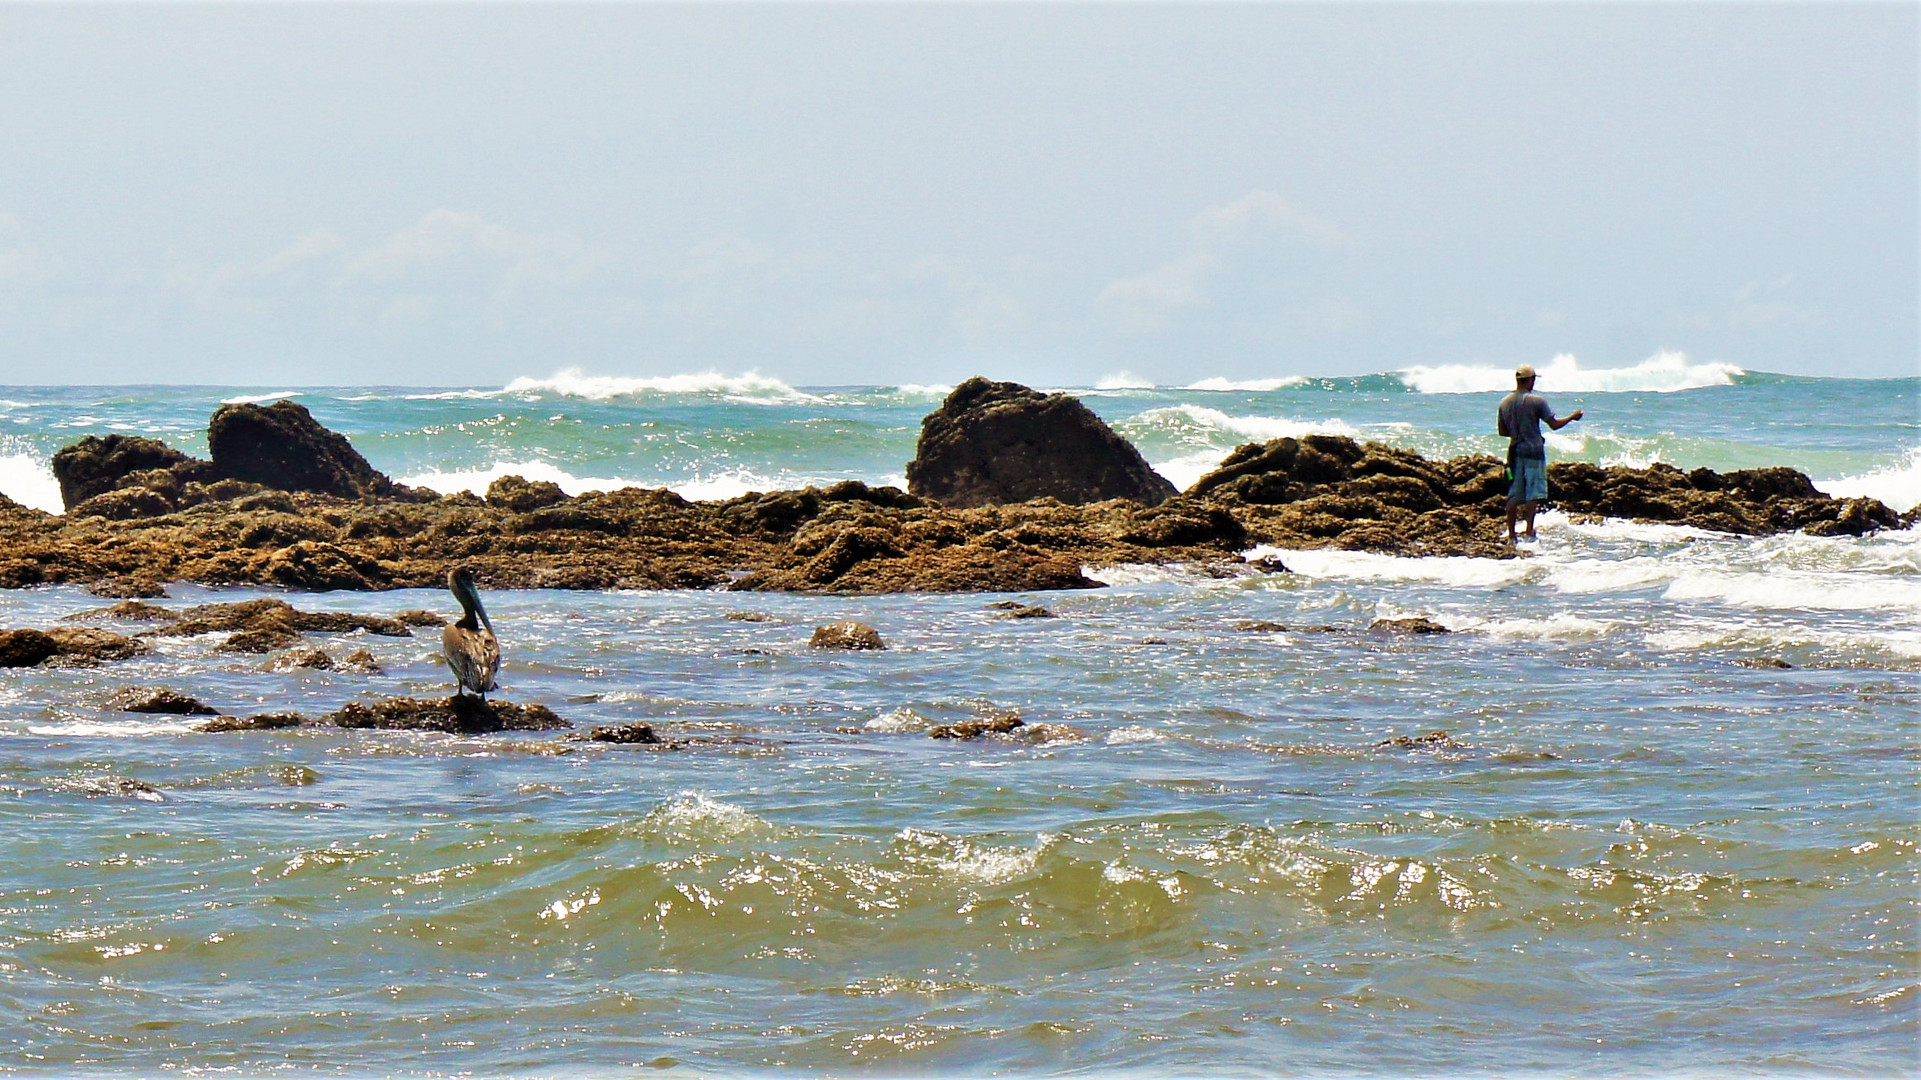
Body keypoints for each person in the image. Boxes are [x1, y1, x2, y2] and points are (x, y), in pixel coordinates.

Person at [1497, 364, 1582, 544]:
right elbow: (1554, 425)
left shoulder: (1504, 403)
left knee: (1514, 494)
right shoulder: (1537, 401)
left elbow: (1502, 432)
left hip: (1514, 453)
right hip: (1534, 451)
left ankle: (1512, 535)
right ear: (1530, 380)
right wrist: (1572, 417)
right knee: (1533, 493)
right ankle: (1528, 531)